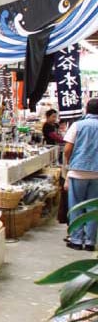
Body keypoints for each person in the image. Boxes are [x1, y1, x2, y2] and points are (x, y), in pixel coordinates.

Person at [63, 99, 98, 251]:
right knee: (92, 208)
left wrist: (71, 163)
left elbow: (67, 149)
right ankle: (90, 242)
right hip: (97, 173)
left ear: (86, 109)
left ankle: (77, 240)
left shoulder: (77, 125)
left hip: (78, 171)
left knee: (76, 205)